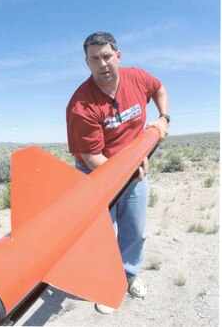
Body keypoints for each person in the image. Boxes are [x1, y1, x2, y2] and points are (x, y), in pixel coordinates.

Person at [66, 32, 169, 314]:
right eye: (95, 59)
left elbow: (159, 89)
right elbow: (91, 156)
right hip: (96, 171)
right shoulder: (81, 105)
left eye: (107, 56)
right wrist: (125, 172)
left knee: (134, 228)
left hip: (134, 166)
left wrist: (164, 117)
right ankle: (104, 283)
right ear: (87, 63)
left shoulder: (137, 77)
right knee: (101, 234)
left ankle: (128, 276)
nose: (103, 64)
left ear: (118, 56)